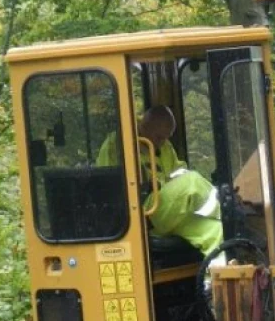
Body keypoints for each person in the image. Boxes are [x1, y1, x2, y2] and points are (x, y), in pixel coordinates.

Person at [96, 106, 223, 258]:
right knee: (192, 182)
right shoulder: (117, 144)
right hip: (141, 213)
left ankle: (219, 272)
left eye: (166, 138)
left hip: (167, 210)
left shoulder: (165, 147)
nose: (162, 143)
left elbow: (179, 172)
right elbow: (108, 187)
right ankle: (226, 209)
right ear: (144, 126)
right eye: (159, 137)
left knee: (217, 231)